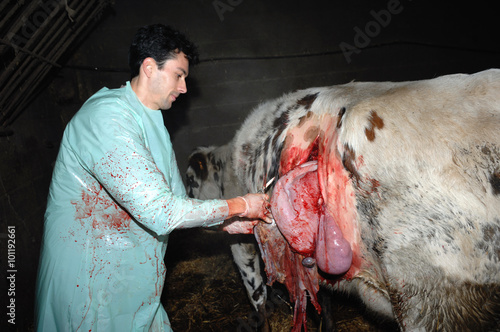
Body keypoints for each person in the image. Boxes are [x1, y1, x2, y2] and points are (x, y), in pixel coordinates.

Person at [35, 24, 271, 331]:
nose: (184, 87)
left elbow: (175, 201)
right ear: (149, 67)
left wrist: (223, 222)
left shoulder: (153, 123)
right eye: (179, 75)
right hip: (90, 284)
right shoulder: (107, 119)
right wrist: (240, 205)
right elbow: (161, 213)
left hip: (134, 284)